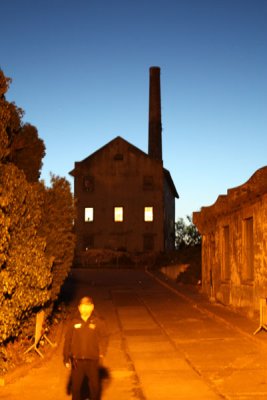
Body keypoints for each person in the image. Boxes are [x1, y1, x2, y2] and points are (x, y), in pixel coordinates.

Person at [63, 296, 108, 400]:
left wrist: (102, 352)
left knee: (95, 387)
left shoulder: (98, 321)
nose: (85, 309)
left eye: (88, 306)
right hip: (76, 361)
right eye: (83, 306)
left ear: (92, 307)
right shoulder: (73, 322)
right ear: (79, 308)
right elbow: (67, 340)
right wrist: (66, 358)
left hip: (93, 360)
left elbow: (104, 338)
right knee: (76, 388)